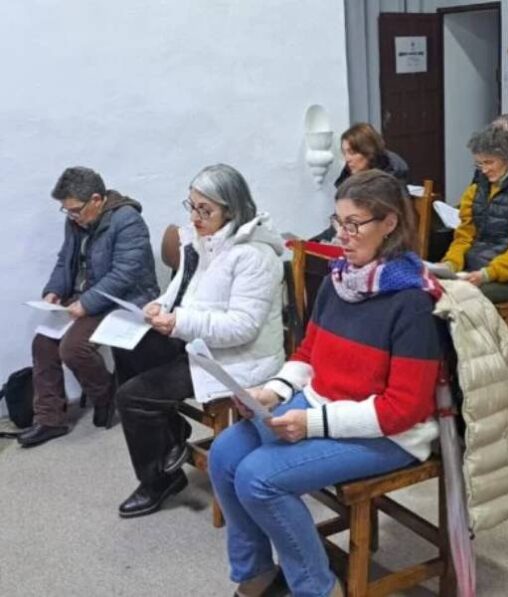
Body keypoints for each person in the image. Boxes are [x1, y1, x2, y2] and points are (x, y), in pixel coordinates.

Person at [208, 170, 443, 597]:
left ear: (389, 223)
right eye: (338, 222)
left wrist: (310, 424)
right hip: (326, 405)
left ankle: (317, 589)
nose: (342, 235)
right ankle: (256, 573)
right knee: (224, 454)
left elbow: (403, 410)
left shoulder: (411, 301)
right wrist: (273, 391)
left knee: (259, 479)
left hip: (390, 432)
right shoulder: (340, 281)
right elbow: (308, 355)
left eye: (355, 224)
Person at [113, 164, 285, 518]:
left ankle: (158, 479)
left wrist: (178, 322)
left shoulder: (254, 256)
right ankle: (170, 432)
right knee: (127, 345)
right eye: (191, 206)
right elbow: (182, 289)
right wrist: (160, 305)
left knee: (131, 396)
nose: (194, 217)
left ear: (232, 210)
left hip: (236, 358)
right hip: (202, 343)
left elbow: (243, 328)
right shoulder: (204, 242)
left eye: (204, 210)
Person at [18, 167, 160, 448]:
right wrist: (54, 291)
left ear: (97, 199)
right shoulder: (76, 222)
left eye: (75, 210)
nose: (71, 216)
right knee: (43, 343)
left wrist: (87, 303)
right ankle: (49, 420)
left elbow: (125, 275)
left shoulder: (128, 221)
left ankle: (107, 395)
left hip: (125, 299)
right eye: (66, 211)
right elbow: (65, 260)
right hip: (88, 296)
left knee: (73, 347)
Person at [440, 124, 508, 303]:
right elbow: (463, 238)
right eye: (479, 163)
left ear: (507, 158)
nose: (484, 170)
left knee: (458, 298)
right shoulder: (475, 190)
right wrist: (449, 264)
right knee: (429, 290)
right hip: (474, 269)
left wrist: (487, 274)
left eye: (489, 162)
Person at [310, 122, 409, 242]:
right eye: (344, 153)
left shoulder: (389, 184)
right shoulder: (350, 179)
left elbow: (390, 231)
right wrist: (312, 243)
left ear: (368, 151)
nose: (347, 159)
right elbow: (339, 226)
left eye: (352, 152)